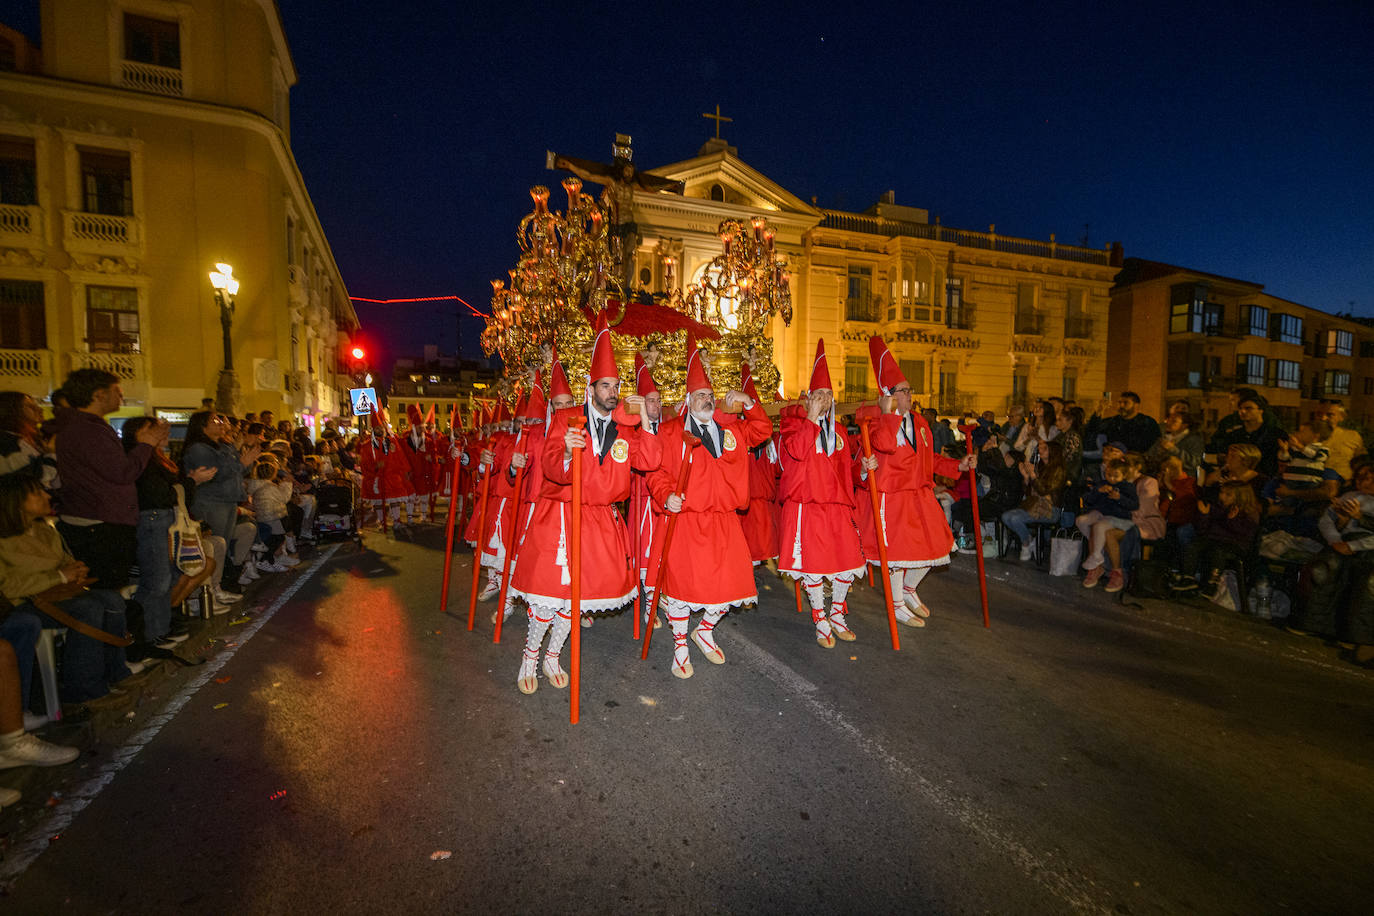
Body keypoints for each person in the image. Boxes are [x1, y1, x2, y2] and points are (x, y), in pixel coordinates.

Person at [510, 313, 660, 694]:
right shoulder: (566, 420)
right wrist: (566, 455)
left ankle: (552, 655)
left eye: (616, 386)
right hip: (560, 518)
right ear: (591, 387)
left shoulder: (627, 427)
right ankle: (530, 654)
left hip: (599, 521)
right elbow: (547, 465)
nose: (612, 392)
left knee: (579, 599)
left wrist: (645, 418)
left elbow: (651, 461)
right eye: (605, 385)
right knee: (551, 594)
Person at [649, 336, 770, 676]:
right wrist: (665, 495)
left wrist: (747, 402)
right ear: (688, 400)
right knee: (683, 589)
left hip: (725, 519)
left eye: (708, 394)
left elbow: (761, 430)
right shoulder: (672, 433)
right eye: (699, 395)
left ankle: (704, 631)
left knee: (733, 584)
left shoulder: (729, 428)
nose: (705, 399)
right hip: (687, 520)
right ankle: (680, 648)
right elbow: (655, 474)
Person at [856, 336, 973, 626]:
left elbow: (928, 458)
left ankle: (909, 588)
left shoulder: (920, 422)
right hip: (891, 495)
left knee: (938, 545)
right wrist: (887, 414)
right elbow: (882, 444)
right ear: (889, 394)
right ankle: (896, 604)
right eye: (903, 391)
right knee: (896, 554)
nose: (909, 395)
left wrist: (957, 465)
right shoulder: (872, 419)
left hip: (919, 493)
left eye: (909, 391)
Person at [0, 474, 137, 705]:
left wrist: (76, 570)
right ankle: (85, 689)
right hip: (26, 602)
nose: (46, 495)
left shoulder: (45, 530)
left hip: (60, 593)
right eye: (37, 493)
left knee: (112, 600)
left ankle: (116, 672)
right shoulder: (4, 541)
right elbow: (7, 586)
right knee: (88, 608)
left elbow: (65, 560)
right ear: (16, 501)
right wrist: (59, 575)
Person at [776, 340, 868, 648]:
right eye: (818, 395)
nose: (824, 400)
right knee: (814, 566)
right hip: (807, 504)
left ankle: (838, 613)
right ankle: (820, 618)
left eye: (828, 395)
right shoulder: (792, 424)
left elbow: (847, 473)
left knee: (847, 562)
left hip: (837, 505)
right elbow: (797, 452)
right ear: (808, 398)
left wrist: (864, 470)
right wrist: (811, 419)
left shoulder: (840, 432)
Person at [51, 370, 167, 590]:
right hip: (99, 526)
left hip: (99, 520)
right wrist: (146, 444)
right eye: (117, 391)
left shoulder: (84, 427)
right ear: (99, 395)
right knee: (107, 591)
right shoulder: (88, 430)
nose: (121, 396)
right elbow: (122, 473)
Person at [121, 417, 227, 654]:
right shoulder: (140, 459)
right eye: (154, 429)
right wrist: (192, 481)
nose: (162, 433)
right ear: (139, 433)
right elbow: (156, 493)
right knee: (157, 580)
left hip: (164, 519)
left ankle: (160, 629)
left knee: (168, 577)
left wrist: (189, 482)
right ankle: (148, 636)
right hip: (151, 520)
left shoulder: (155, 458)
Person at [1287, 462, 1374, 665]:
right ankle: (1314, 623)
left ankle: (1356, 637)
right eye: (1363, 476)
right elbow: (1326, 520)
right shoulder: (1349, 497)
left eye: (1370, 478)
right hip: (1343, 543)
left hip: (1367, 547)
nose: (1365, 481)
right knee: (1325, 568)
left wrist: (1355, 541)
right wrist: (1336, 538)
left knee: (1366, 580)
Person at [182, 411, 257, 587]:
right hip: (212, 502)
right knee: (216, 545)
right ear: (202, 426)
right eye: (215, 420)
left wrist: (242, 456)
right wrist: (242, 461)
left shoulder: (219, 446)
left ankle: (218, 584)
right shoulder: (199, 448)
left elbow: (239, 470)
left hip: (227, 500)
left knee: (223, 544)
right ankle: (210, 588)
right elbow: (215, 473)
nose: (221, 423)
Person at [628, 353, 667, 628]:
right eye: (649, 400)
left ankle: (659, 593)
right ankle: (649, 600)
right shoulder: (630, 431)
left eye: (657, 400)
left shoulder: (668, 429)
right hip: (642, 499)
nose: (654, 405)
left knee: (663, 549)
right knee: (645, 551)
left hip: (663, 499)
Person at [1171, 480, 1261, 597]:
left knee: (1218, 551)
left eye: (1228, 495)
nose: (1222, 496)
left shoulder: (1248, 513)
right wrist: (1204, 515)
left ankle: (1212, 584)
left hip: (1234, 544)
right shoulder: (1217, 508)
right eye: (1222, 493)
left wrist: (1231, 520)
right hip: (1212, 539)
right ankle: (1188, 578)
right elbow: (1203, 530)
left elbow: (1244, 534)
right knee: (1193, 546)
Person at [739, 362, 780, 570]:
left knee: (761, 545)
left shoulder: (768, 440)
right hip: (746, 502)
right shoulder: (739, 433)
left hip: (762, 501)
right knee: (747, 547)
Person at [1000, 440, 1068, 562]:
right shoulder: (1040, 467)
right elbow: (1029, 492)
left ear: (1053, 452)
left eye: (1044, 449)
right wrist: (1026, 478)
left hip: (1051, 510)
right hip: (1035, 506)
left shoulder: (1059, 470)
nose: (1040, 451)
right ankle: (1028, 540)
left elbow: (1043, 491)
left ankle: (1026, 544)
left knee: (1015, 518)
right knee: (1005, 516)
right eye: (1040, 448)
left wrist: (1032, 475)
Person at [1076, 458, 1139, 589]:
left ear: (1124, 475)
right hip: (1101, 515)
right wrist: (1098, 491)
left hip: (1119, 518)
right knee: (1081, 521)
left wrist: (1119, 498)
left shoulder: (1127, 487)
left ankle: (1097, 557)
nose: (1111, 478)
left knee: (1099, 527)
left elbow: (1134, 505)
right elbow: (1088, 500)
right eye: (1109, 475)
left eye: (1116, 476)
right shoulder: (1102, 484)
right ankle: (1098, 551)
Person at [1204, 392, 1285, 477]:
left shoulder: (1275, 434)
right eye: (1240, 408)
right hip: (1236, 482)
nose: (1242, 411)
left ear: (1261, 410)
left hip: (1265, 482)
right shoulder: (1233, 435)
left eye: (1248, 408)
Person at [1085, 392, 1160, 456]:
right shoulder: (1112, 421)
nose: (1121, 406)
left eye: (1125, 403)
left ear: (1136, 405)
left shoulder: (1147, 422)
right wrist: (1098, 412)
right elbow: (1093, 430)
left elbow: (1153, 445)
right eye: (1119, 402)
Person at [1318, 401, 1368, 485]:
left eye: (1330, 415)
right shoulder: (1307, 436)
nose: (1323, 418)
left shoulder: (1352, 436)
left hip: (1345, 486)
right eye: (1319, 414)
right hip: (1315, 485)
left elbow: (1361, 462)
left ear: (1341, 417)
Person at [1146, 411, 1205, 481]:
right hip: (1160, 479)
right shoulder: (1164, 438)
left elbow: (1195, 462)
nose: (1168, 423)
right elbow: (1150, 456)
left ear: (1184, 425)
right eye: (1168, 420)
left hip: (1183, 481)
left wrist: (1173, 449)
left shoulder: (1194, 440)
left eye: (1174, 421)